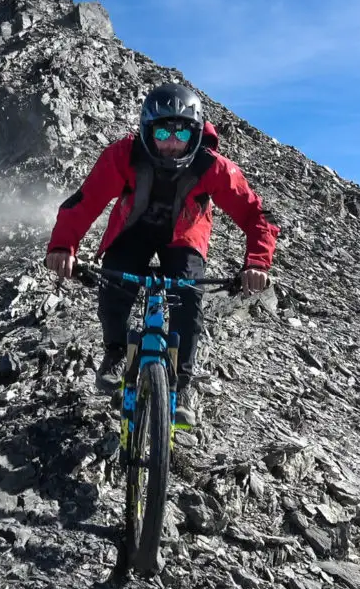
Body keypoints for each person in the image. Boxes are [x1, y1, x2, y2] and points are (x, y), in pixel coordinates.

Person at [45, 82, 278, 427]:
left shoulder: (213, 166)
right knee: (115, 283)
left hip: (184, 237)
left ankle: (181, 384)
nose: (171, 141)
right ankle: (114, 353)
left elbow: (256, 215)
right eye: (163, 130)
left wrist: (256, 262)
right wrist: (64, 246)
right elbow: (86, 201)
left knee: (188, 298)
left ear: (195, 132)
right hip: (133, 230)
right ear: (146, 130)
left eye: (181, 131)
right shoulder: (123, 153)